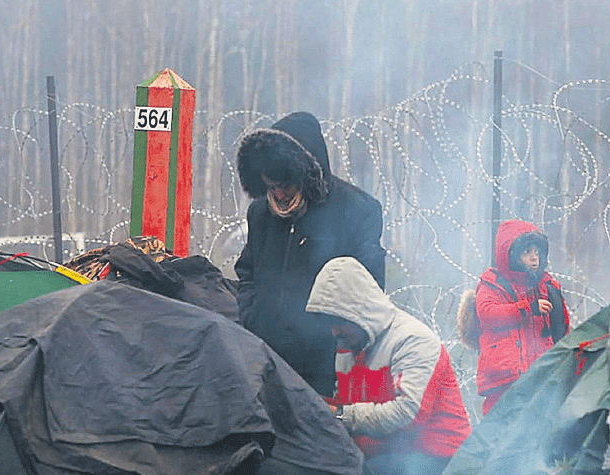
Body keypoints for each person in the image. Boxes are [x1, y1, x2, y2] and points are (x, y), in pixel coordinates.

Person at [234, 111, 385, 397]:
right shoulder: (260, 214)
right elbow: (247, 272)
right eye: (271, 187)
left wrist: (335, 341)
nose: (278, 195)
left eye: (285, 186)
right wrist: (254, 318)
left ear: (304, 175)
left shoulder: (356, 211)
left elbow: (370, 288)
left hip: (326, 371)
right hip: (267, 362)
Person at [307, 257, 472, 475]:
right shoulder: (349, 346)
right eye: (330, 323)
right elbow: (346, 405)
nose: (334, 332)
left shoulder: (413, 340)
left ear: (358, 311)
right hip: (387, 457)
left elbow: (408, 415)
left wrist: (337, 413)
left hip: (439, 458)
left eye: (340, 321)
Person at [475, 219, 569, 415]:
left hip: (541, 380)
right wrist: (526, 309)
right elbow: (488, 314)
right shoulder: (493, 284)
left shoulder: (548, 286)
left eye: (537, 252)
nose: (534, 258)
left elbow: (562, 330)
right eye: (527, 253)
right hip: (504, 381)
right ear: (509, 254)